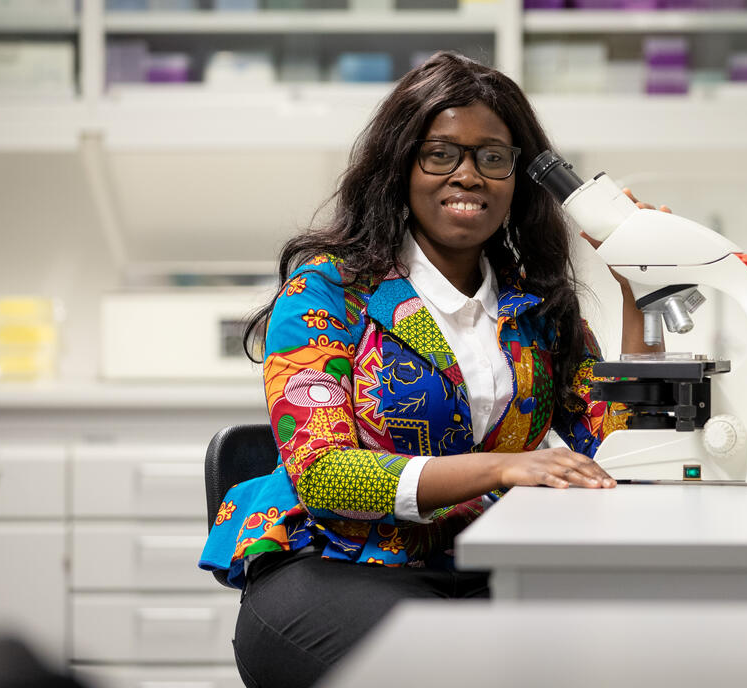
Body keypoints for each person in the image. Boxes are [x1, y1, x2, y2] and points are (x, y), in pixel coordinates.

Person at [200, 51, 664, 688]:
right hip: (335, 567)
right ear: (401, 167)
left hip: (485, 565)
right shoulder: (330, 292)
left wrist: (640, 289)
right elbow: (325, 476)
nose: (468, 175)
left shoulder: (535, 305)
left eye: (492, 157)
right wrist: (501, 467)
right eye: (440, 154)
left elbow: (624, 452)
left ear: (518, 178)